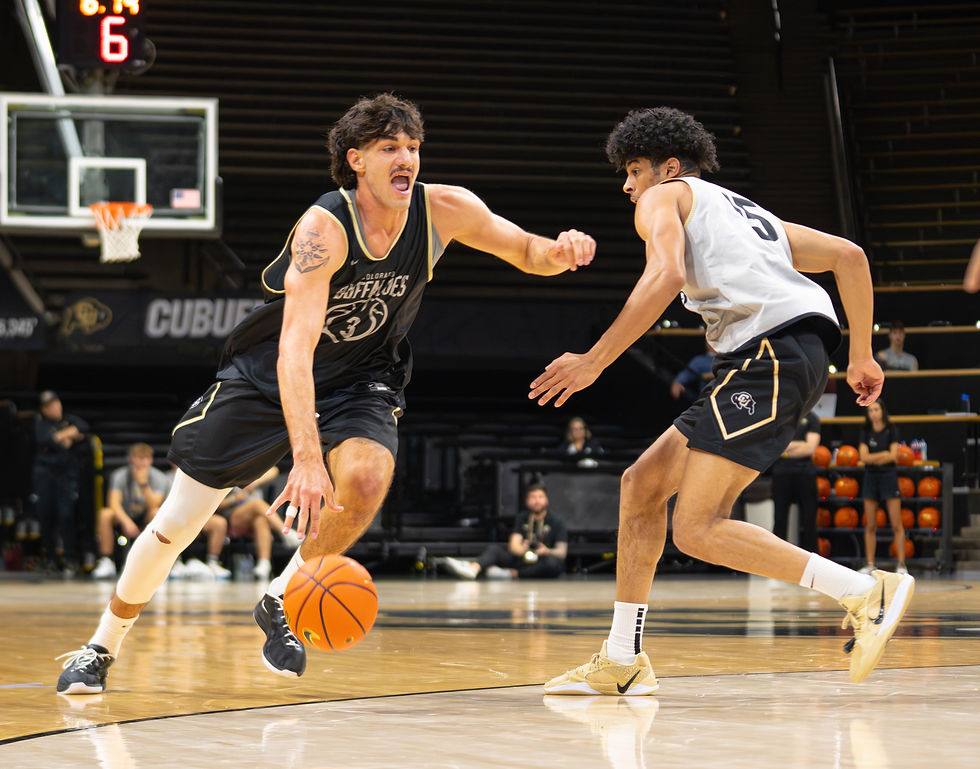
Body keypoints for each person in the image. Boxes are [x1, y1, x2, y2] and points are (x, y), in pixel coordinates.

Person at [55, 93, 595, 694]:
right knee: (177, 526)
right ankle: (101, 646)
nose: (406, 159)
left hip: (361, 376)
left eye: (413, 148)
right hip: (269, 380)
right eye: (390, 147)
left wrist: (561, 250)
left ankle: (280, 599)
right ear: (355, 159)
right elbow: (294, 351)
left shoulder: (443, 209)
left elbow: (527, 250)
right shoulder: (324, 228)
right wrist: (307, 459)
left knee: (365, 481)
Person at [528, 106, 913, 695]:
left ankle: (864, 591)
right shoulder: (744, 213)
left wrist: (595, 359)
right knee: (642, 484)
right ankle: (622, 657)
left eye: (634, 169)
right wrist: (860, 354)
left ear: (670, 167)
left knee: (698, 528)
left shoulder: (666, 198)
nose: (628, 185)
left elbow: (663, 276)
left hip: (769, 356)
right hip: (777, 356)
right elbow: (849, 257)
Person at [436, 483, 568, 580]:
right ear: (527, 501)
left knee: (553, 565)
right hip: (523, 558)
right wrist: (522, 548)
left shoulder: (556, 521)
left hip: (541, 560)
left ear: (546, 500)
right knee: (495, 550)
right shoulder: (522, 517)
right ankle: (473, 569)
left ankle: (510, 574)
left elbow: (562, 552)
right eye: (533, 497)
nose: (537, 501)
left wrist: (546, 551)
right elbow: (513, 545)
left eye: (540, 497)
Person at [32, 391, 88, 575]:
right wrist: (68, 435)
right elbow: (45, 439)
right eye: (50, 405)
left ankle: (70, 557)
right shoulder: (40, 423)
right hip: (45, 475)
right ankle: (50, 558)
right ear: (44, 409)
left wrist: (62, 436)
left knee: (66, 516)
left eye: (57, 403)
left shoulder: (69, 419)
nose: (55, 408)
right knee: (46, 516)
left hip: (66, 476)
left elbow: (83, 428)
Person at [217, 466, 301, 580]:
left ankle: (264, 564)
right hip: (232, 515)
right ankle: (285, 532)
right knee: (257, 504)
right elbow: (217, 506)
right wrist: (234, 498)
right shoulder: (225, 472)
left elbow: (274, 470)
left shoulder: (253, 467)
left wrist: (252, 483)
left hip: (257, 515)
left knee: (260, 520)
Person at [159, 461, 232, 581]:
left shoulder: (199, 477)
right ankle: (174, 562)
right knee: (173, 520)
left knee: (219, 523)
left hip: (198, 514)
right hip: (175, 514)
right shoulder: (165, 479)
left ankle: (213, 562)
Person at [858, 400, 907, 576]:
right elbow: (863, 457)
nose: (873, 413)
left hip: (888, 476)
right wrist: (882, 455)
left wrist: (877, 457)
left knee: (897, 523)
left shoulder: (891, 430)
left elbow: (893, 456)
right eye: (870, 410)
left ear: (882, 411)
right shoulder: (865, 432)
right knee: (870, 524)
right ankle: (870, 563)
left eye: (876, 409)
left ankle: (901, 564)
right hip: (871, 476)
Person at [770, 410, 821, 551]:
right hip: (781, 472)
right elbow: (774, 446)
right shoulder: (780, 415)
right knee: (779, 519)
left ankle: (811, 561)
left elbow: (810, 448)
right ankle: (777, 559)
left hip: (805, 472)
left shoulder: (811, 418)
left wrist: (786, 449)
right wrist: (800, 444)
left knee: (809, 520)